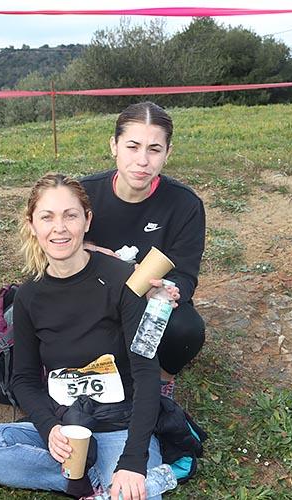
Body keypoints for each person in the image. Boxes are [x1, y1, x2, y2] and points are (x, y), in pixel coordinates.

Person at [0, 173, 177, 500]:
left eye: (70, 216)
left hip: (119, 428)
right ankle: (89, 482)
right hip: (67, 427)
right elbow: (23, 379)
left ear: (87, 221)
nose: (59, 228)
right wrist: (50, 429)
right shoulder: (29, 296)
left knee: (132, 489)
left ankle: (116, 477)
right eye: (47, 217)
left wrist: (133, 460)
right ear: (32, 225)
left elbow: (147, 374)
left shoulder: (122, 280)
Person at [80, 101, 206, 396]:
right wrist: (86, 252)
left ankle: (161, 382)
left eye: (154, 149)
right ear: (114, 146)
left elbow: (186, 275)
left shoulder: (185, 205)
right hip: (91, 295)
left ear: (168, 153)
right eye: (133, 147)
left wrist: (167, 290)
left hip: (148, 301)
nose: (142, 161)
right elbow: (50, 248)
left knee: (186, 329)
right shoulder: (84, 194)